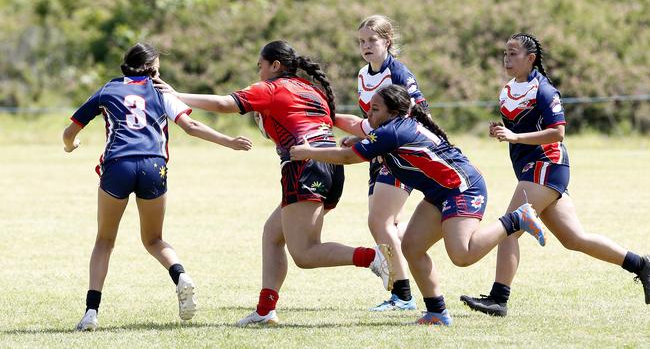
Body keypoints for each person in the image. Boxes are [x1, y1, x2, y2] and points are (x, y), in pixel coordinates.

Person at [154, 40, 395, 327]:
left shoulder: (270, 88)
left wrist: (176, 94)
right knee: (272, 234)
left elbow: (223, 104)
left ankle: (372, 256)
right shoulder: (311, 89)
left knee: (305, 253)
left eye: (261, 66)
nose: (259, 73)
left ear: (275, 66)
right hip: (330, 166)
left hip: (303, 167)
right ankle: (265, 310)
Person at [290, 84, 547, 325]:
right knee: (412, 247)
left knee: (462, 255)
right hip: (440, 192)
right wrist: (360, 141)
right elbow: (382, 144)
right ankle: (436, 312)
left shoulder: (393, 129)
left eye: (375, 109)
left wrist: (308, 152)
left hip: (463, 188)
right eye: (369, 108)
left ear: (393, 112)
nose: (369, 114)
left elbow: (347, 157)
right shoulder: (393, 127)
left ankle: (518, 218)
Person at [62, 43, 253, 331]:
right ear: (152, 69)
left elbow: (70, 131)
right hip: (154, 165)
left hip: (118, 165)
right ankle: (180, 276)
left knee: (104, 241)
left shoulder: (108, 89)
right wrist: (230, 142)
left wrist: (70, 145)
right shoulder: (162, 92)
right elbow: (191, 126)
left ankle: (91, 312)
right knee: (153, 240)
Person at [459, 33, 650, 317]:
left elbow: (558, 132)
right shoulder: (509, 89)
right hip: (532, 168)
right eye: (505, 53)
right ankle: (642, 265)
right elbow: (520, 128)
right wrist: (503, 131)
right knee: (574, 238)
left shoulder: (544, 90)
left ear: (530, 58)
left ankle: (498, 299)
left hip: (546, 165)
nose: (507, 59)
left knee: (510, 228)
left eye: (513, 54)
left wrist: (514, 136)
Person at [334, 15, 428, 311]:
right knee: (389, 224)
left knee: (379, 222)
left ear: (387, 42)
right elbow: (372, 119)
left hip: (401, 153)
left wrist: (377, 140)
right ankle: (422, 236)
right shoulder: (363, 75)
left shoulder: (399, 74)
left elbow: (418, 114)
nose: (366, 46)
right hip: (379, 152)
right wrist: (363, 136)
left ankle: (402, 295)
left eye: (372, 40)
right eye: (361, 41)